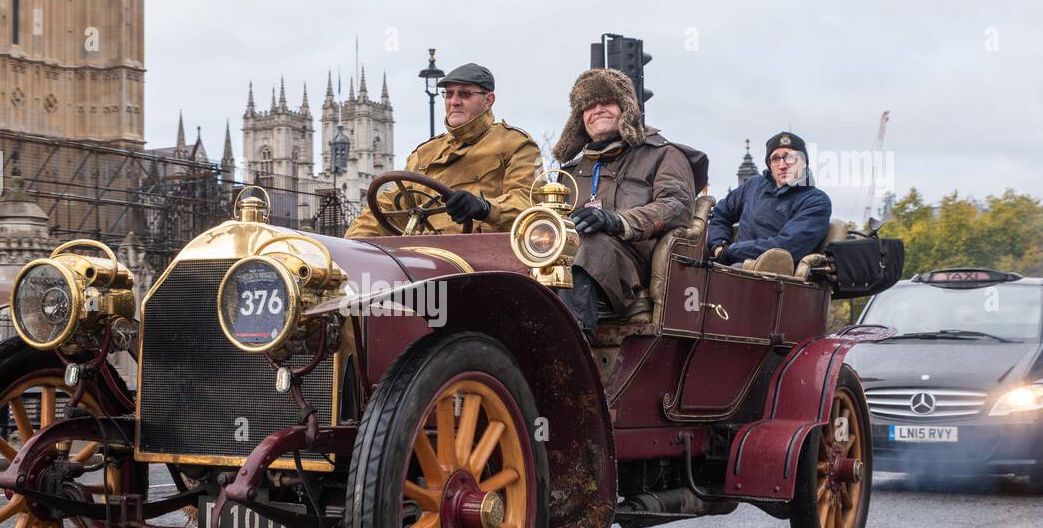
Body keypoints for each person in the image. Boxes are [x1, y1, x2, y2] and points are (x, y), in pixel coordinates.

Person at [552, 68, 708, 339]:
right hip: (575, 261)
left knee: (590, 245)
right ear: (579, 118)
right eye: (588, 106)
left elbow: (677, 206)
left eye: (606, 102)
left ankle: (571, 346)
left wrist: (617, 221)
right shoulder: (570, 171)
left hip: (636, 261)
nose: (597, 109)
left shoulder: (665, 154)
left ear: (627, 109)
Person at [344, 63, 541, 238]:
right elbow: (387, 207)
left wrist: (485, 208)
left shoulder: (516, 145)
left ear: (488, 100)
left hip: (486, 261)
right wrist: (347, 249)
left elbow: (529, 204)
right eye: (449, 93)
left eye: (465, 94)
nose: (454, 101)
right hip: (426, 259)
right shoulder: (424, 153)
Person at [707, 131, 832, 268]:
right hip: (731, 265)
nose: (782, 165)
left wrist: (731, 251)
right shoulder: (753, 186)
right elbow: (720, 214)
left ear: (804, 163)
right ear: (769, 165)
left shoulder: (816, 201)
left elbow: (784, 247)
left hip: (774, 276)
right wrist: (718, 245)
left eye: (790, 158)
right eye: (775, 159)